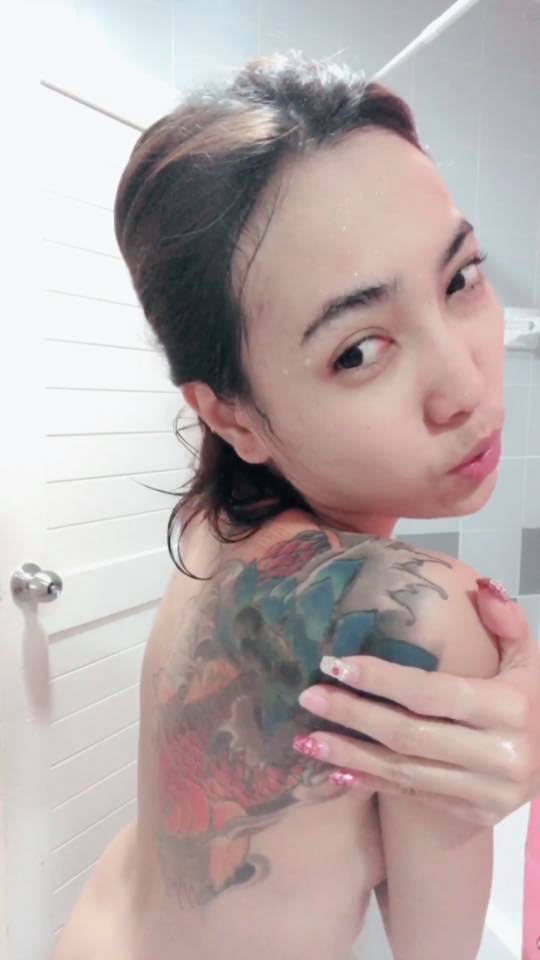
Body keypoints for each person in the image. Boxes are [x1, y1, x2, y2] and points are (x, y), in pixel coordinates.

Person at [51, 53, 540, 960]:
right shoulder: (423, 617)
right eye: (358, 351)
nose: (466, 386)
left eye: (461, 278)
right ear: (229, 415)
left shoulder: (217, 523)